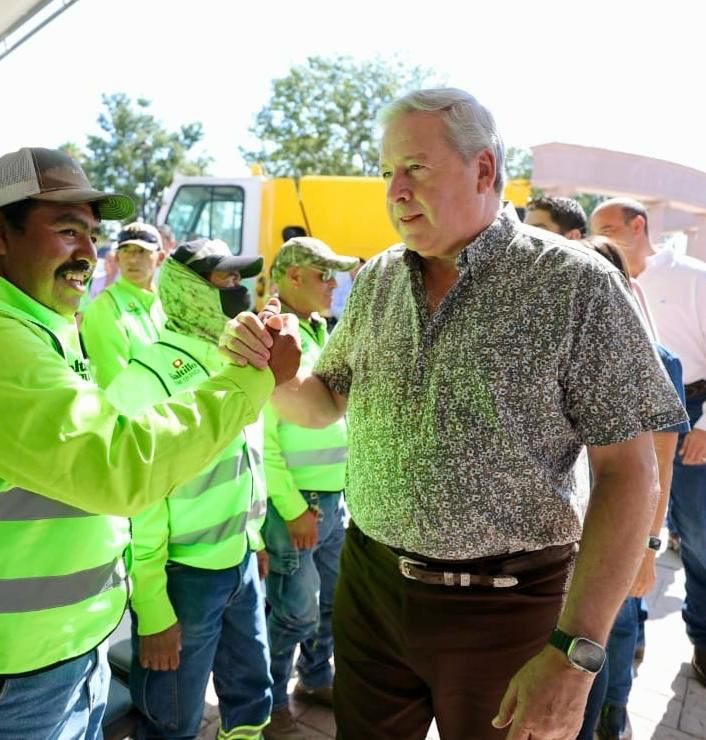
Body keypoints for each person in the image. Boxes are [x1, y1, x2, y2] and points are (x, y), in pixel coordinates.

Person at [221, 88, 687, 740]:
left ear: (484, 170)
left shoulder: (575, 283)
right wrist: (275, 378)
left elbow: (630, 473)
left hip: (513, 609)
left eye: (416, 168)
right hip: (372, 591)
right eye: (388, 172)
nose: (395, 191)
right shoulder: (379, 279)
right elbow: (325, 403)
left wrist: (576, 656)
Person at [0, 147, 300, 739]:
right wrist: (255, 378)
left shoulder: (29, 328)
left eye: (92, 234)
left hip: (28, 668)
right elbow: (120, 467)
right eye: (67, 230)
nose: (89, 253)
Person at [106, 238, 273, 740]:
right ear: (188, 289)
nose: (238, 289)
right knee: (170, 717)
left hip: (239, 563)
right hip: (182, 581)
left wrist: (255, 538)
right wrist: (153, 608)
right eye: (224, 279)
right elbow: (135, 509)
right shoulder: (145, 381)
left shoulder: (237, 363)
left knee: (251, 696)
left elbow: (248, 459)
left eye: (239, 278)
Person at [573, 236, 690, 740]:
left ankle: (611, 716)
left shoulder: (658, 359)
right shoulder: (561, 349)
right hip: (564, 529)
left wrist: (647, 547)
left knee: (612, 632)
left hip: (616, 529)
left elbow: (658, 469)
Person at [591, 197, 706, 685]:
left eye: (610, 228)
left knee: (697, 535)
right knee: (626, 524)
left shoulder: (693, 275)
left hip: (694, 413)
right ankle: (628, 629)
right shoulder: (597, 275)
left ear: (639, 226)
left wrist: (705, 426)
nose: (601, 238)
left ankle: (701, 638)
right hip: (630, 413)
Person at [261, 237, 357, 739]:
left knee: (328, 605)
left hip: (332, 501)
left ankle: (314, 679)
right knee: (292, 613)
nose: (333, 285)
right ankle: (271, 701)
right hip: (299, 506)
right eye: (324, 275)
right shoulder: (272, 336)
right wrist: (293, 507)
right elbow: (264, 439)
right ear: (293, 275)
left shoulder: (316, 331)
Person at [81, 222, 165, 387]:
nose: (133, 259)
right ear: (117, 258)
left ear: (160, 258)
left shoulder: (164, 304)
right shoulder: (104, 306)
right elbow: (115, 386)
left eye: (142, 251)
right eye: (126, 251)